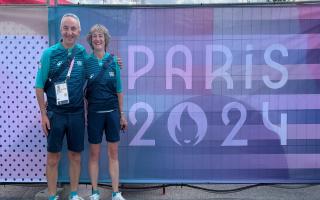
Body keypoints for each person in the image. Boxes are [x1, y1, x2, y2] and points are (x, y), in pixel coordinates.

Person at [35, 13, 86, 200]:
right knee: (53, 158)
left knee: (75, 156)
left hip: (77, 114)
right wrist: (43, 115)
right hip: (55, 114)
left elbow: (96, 70)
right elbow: (39, 86)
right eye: (66, 28)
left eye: (73, 28)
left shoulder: (82, 53)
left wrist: (115, 63)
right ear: (60, 30)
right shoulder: (49, 53)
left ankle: (73, 194)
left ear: (79, 31)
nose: (69, 32)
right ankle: (51, 196)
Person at [85, 24, 128, 200]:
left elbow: (119, 89)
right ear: (91, 40)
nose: (98, 39)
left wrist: (122, 114)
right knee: (94, 154)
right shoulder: (86, 62)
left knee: (113, 154)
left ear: (106, 39)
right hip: (94, 114)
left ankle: (116, 192)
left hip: (112, 114)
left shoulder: (114, 61)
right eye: (95, 36)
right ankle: (94, 192)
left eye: (101, 36)